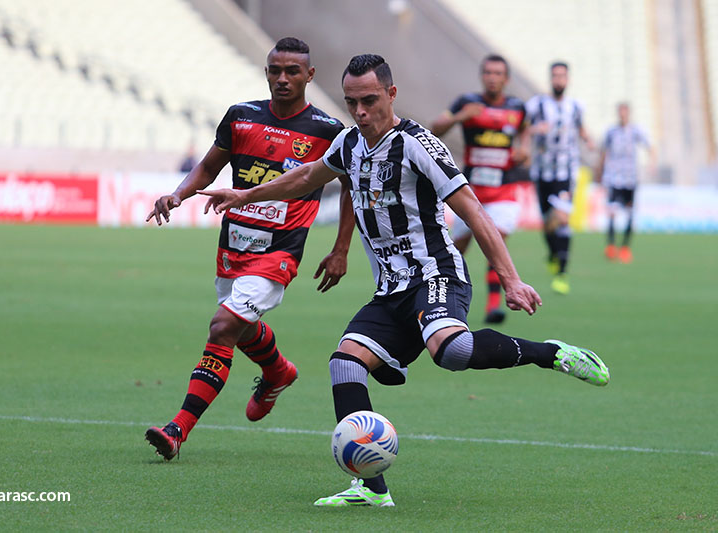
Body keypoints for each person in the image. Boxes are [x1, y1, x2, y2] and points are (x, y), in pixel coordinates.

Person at [200, 54, 610, 507]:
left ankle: (549, 353)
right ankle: (371, 488)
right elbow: (305, 177)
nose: (359, 112)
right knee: (345, 363)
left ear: (391, 95)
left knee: (451, 352)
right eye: (351, 102)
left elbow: (473, 211)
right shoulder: (349, 144)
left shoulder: (418, 144)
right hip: (390, 289)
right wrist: (244, 194)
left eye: (369, 101)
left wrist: (510, 279)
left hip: (436, 273)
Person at [143, 37, 354, 461]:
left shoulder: (328, 131)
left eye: (292, 71)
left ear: (309, 75)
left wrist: (341, 249)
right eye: (274, 70)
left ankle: (177, 429)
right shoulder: (241, 118)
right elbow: (207, 166)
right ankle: (277, 371)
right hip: (234, 245)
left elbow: (351, 187)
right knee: (235, 328)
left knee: (222, 327)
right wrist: (179, 194)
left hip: (280, 254)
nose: (282, 78)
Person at [430, 54, 530, 324]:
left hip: (503, 191)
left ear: (506, 79)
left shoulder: (517, 107)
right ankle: (437, 298)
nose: (492, 77)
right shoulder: (466, 103)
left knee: (495, 239)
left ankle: (493, 306)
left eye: (497, 73)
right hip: (470, 193)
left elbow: (525, 130)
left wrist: (524, 150)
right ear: (481, 76)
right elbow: (434, 128)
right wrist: (462, 116)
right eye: (488, 72)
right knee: (454, 250)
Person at [525, 62, 595, 294]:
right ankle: (554, 254)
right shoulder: (536, 105)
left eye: (562, 76)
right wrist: (535, 131)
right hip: (542, 171)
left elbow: (581, 128)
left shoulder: (575, 106)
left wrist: (588, 140)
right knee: (548, 222)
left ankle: (562, 273)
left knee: (563, 218)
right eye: (555, 76)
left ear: (568, 79)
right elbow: (522, 129)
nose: (558, 80)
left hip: (566, 172)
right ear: (550, 79)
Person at [595, 102, 654, 263]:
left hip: (630, 179)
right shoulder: (611, 132)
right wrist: (599, 171)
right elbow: (603, 152)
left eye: (624, 112)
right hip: (614, 178)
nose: (622, 115)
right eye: (620, 112)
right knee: (612, 212)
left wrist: (651, 163)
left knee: (629, 214)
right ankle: (611, 246)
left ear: (629, 113)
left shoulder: (635, 131)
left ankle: (625, 248)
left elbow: (650, 146)